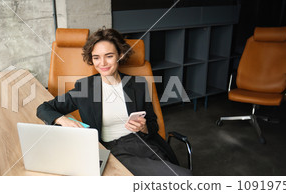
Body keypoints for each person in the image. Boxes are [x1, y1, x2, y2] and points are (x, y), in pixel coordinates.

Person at [37, 28, 191, 176]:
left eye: (109, 56)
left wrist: (144, 127)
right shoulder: (85, 88)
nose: (102, 63)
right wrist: (63, 120)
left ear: (121, 55)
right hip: (114, 150)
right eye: (96, 57)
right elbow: (44, 108)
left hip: (144, 144)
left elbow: (153, 124)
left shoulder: (138, 84)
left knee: (181, 178)